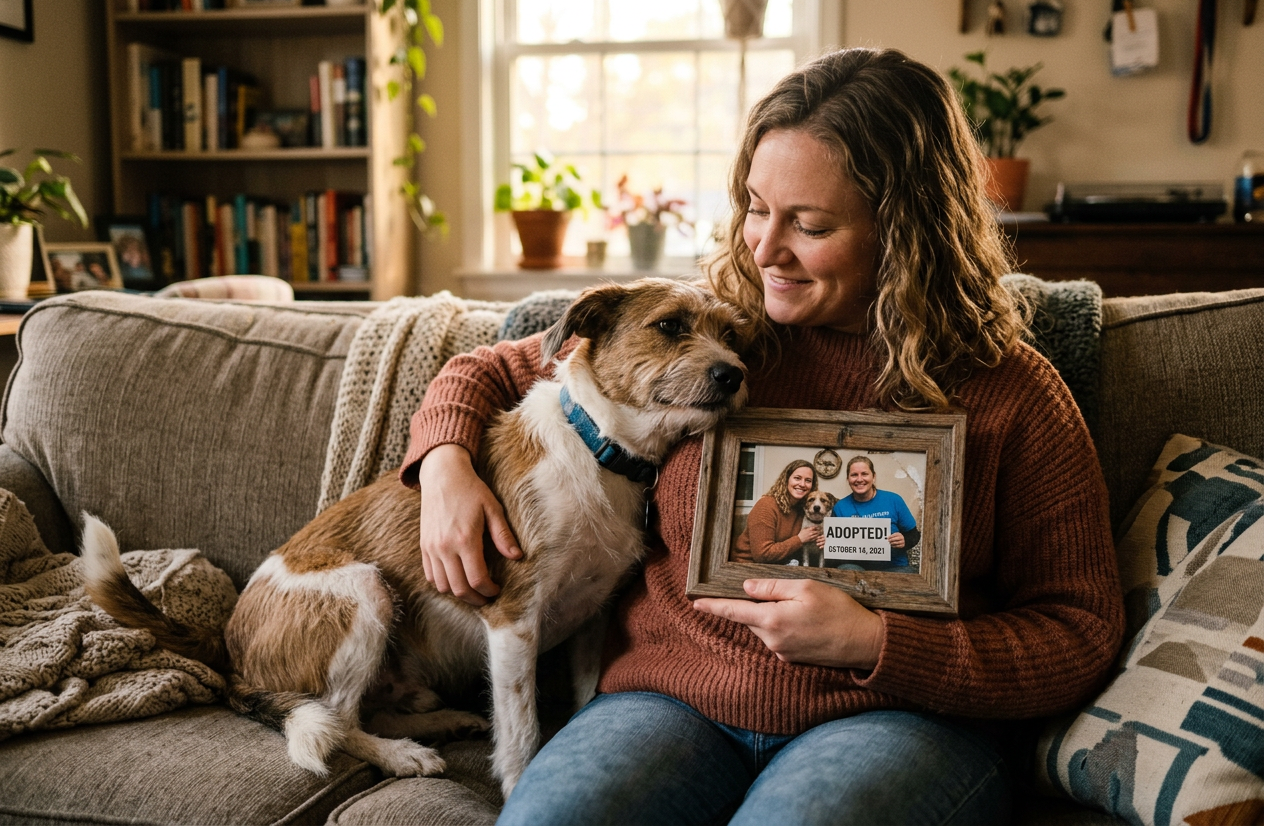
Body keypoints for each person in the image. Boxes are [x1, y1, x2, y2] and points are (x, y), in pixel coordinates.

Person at [402, 47, 1124, 825]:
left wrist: (879, 642)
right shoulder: (713, 331)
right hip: (668, 700)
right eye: (755, 207)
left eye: (809, 225)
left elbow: (1077, 632)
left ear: (905, 230)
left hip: (891, 721)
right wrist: (445, 464)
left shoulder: (1013, 394)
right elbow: (493, 367)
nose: (764, 248)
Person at [828, 455, 919, 572]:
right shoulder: (840, 507)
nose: (859, 479)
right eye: (854, 475)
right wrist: (829, 544)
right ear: (848, 479)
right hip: (857, 569)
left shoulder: (894, 500)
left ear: (874, 477)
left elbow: (914, 535)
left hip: (895, 567)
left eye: (864, 474)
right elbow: (835, 549)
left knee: (910, 574)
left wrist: (904, 540)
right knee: (846, 570)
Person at [730, 459, 820, 564]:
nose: (802, 484)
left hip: (782, 565)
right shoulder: (766, 506)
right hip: (748, 565)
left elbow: (802, 546)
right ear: (786, 479)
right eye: (797, 478)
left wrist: (821, 542)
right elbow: (762, 555)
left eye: (808, 480)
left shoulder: (804, 510)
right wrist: (799, 539)